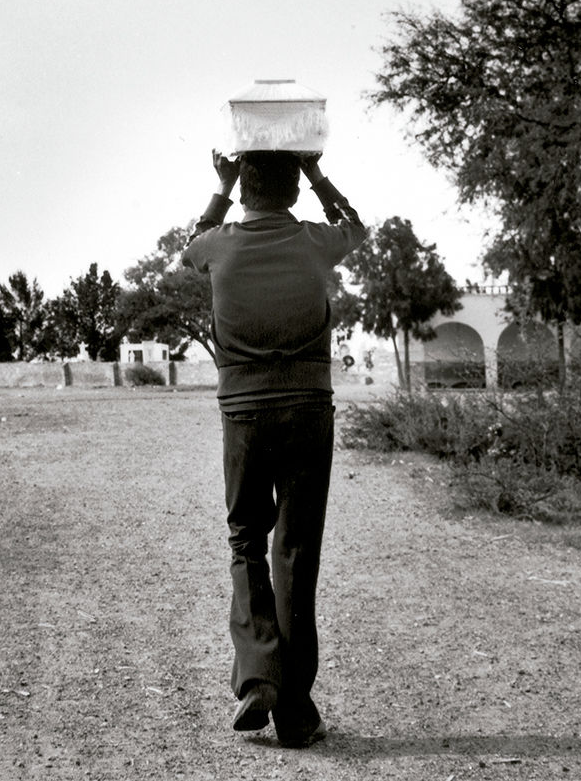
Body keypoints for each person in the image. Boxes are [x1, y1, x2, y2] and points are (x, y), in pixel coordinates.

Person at [182, 149, 367, 748]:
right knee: (296, 553)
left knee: (246, 540)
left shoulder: (219, 246)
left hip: (243, 413)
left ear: (243, 190)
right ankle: (293, 712)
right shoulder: (316, 240)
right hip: (310, 410)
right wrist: (319, 175)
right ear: (291, 189)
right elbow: (357, 229)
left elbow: (190, 243)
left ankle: (259, 675)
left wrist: (220, 186)